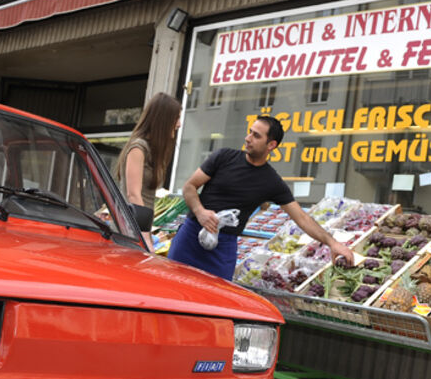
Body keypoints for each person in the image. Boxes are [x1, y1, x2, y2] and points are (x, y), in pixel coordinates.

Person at [168, 115, 355, 280]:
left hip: (223, 248)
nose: (248, 138)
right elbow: (190, 187)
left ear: (271, 145)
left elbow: (302, 218)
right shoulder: (224, 157)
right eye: (250, 132)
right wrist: (200, 212)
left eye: (256, 136)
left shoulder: (271, 182)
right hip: (190, 237)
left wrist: (333, 243)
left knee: (214, 306)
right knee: (170, 291)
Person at [116, 92, 181, 247]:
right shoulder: (138, 148)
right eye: (176, 118)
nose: (179, 124)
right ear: (163, 120)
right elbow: (133, 195)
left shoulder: (153, 151)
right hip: (131, 232)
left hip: (138, 230)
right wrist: (145, 237)